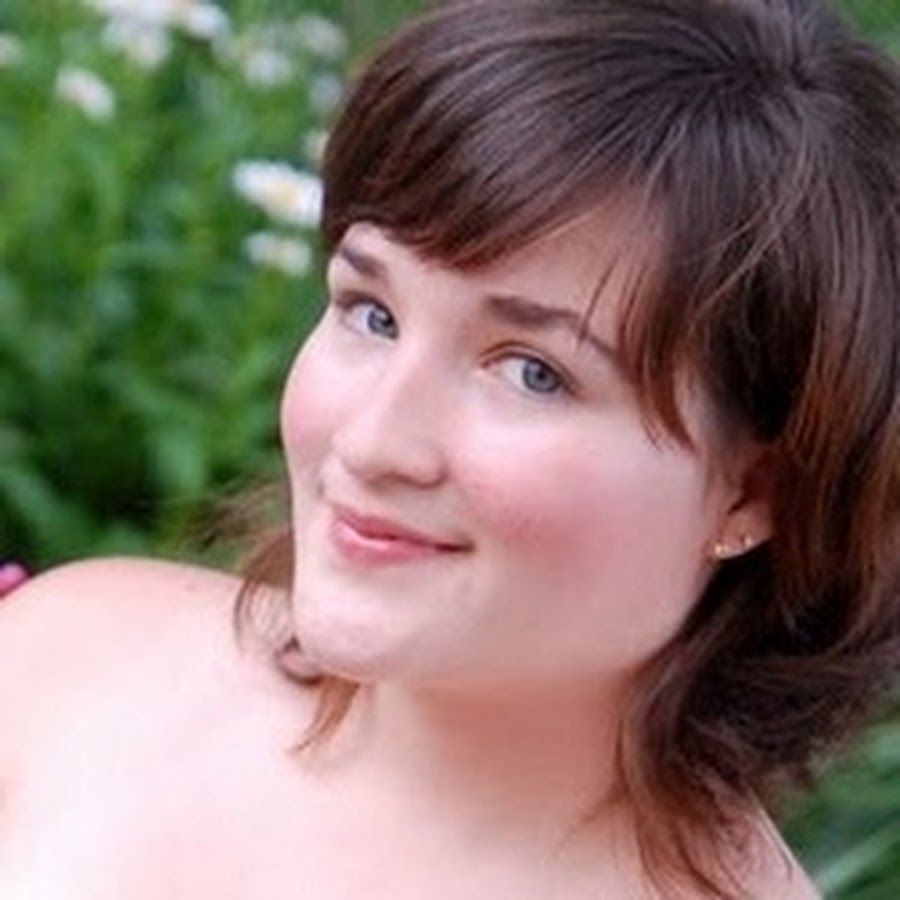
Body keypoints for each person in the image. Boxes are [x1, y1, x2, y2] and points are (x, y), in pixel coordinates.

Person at [2, 0, 898, 896]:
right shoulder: (73, 662)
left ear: (756, 492)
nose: (371, 440)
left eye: (533, 373)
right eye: (372, 313)